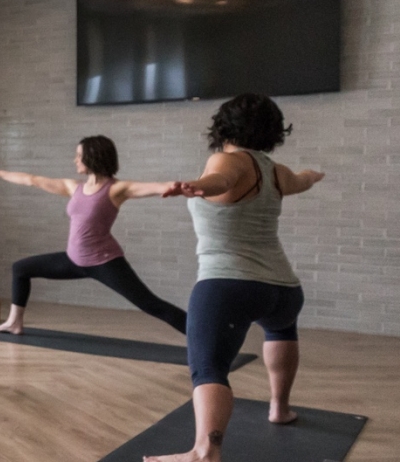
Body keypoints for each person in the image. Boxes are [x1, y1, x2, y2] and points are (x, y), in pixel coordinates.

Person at [146, 93, 324, 462]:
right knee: (280, 330)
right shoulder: (276, 170)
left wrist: (200, 186)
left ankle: (204, 452)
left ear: (223, 125)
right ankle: (280, 407)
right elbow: (301, 181)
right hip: (285, 289)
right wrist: (313, 176)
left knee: (208, 368)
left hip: (229, 285)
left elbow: (220, 179)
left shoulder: (227, 159)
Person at [0, 135, 189, 335]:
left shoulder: (116, 189)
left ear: (93, 157)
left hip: (105, 262)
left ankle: (211, 338)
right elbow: (32, 179)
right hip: (73, 260)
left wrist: (176, 186)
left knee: (151, 304)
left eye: (78, 155)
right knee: (20, 268)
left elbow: (155, 186)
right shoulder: (73, 187)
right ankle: (14, 322)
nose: (75, 160)